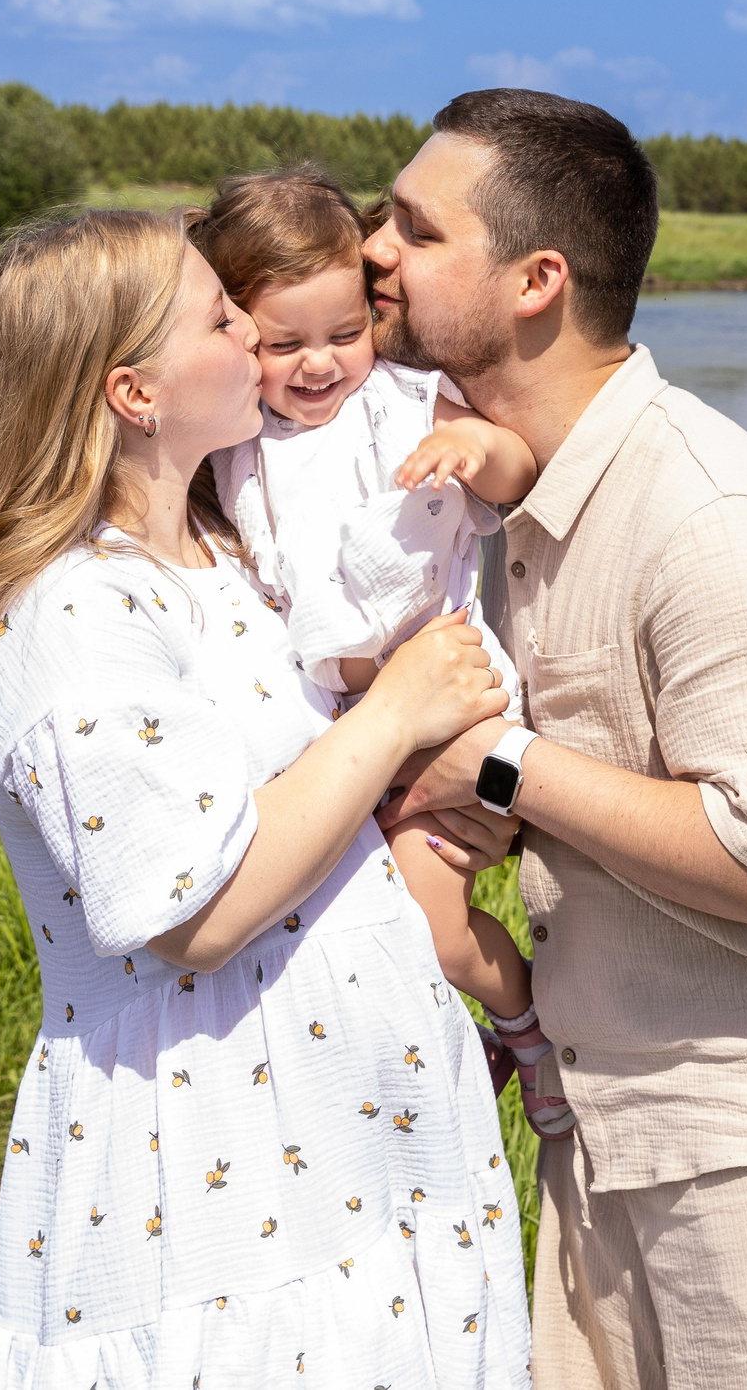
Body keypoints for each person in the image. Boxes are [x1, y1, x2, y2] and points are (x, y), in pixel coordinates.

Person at [368, 91, 747, 1389]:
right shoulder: (494, 494)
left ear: (537, 282)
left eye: (415, 227)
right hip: (608, 1120)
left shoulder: (705, 510)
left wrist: (503, 765)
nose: (374, 248)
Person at [0, 209, 532, 1387]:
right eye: (219, 313)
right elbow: (194, 913)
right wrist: (398, 712)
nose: (254, 328)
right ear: (135, 394)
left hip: (342, 1136)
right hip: (216, 1164)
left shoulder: (220, 543)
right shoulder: (76, 610)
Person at [186, 163, 570, 1140]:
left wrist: (475, 454)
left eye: (343, 333)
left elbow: (516, 459)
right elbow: (99, 423)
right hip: (344, 729)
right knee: (354, 931)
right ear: (236, 334)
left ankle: (528, 1032)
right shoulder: (234, 435)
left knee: (432, 925)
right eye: (285, 343)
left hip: (450, 703)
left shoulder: (403, 402)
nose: (319, 363)